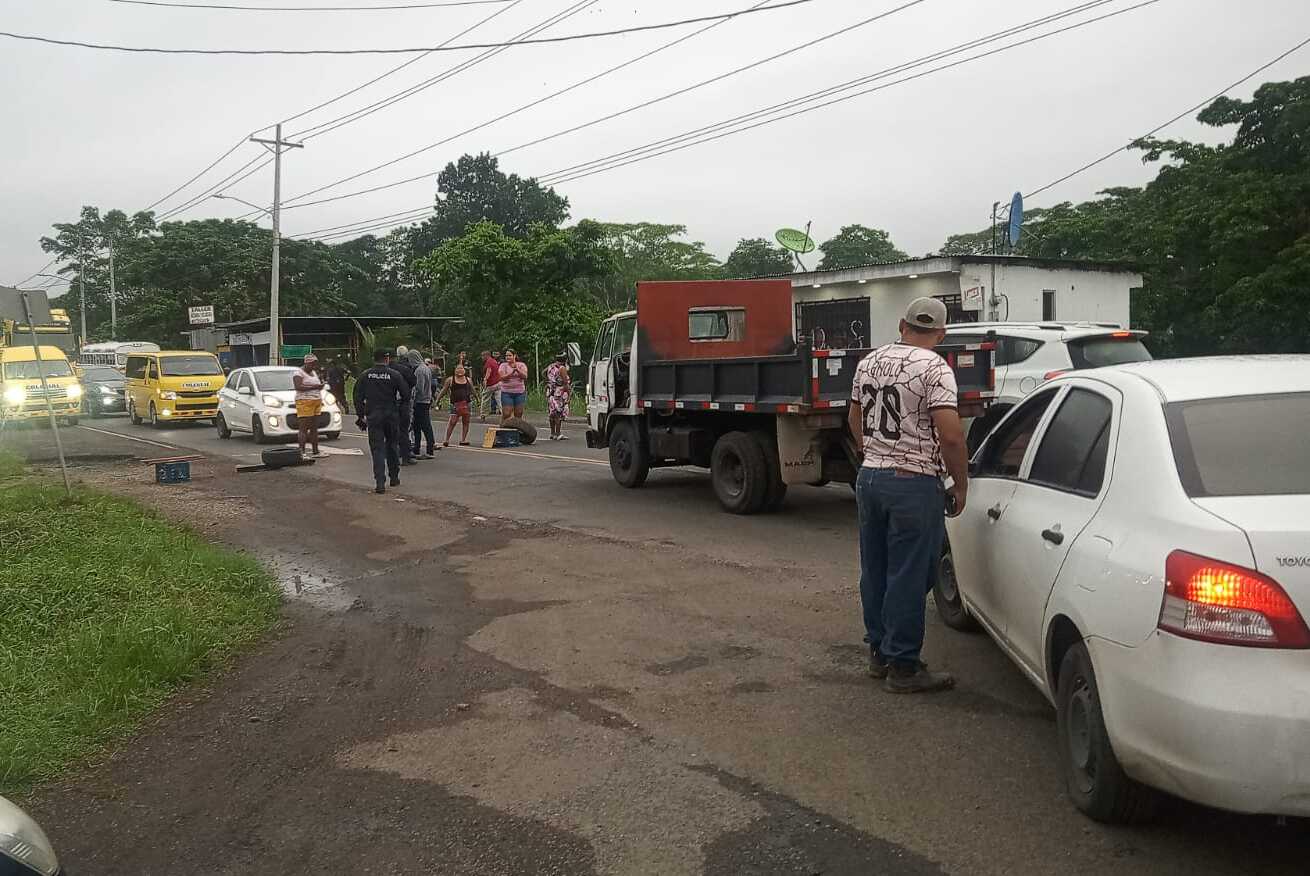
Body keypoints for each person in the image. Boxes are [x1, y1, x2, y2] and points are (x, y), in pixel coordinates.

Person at [847, 297, 968, 695]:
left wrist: (873, 452)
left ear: (902, 324)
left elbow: (854, 418)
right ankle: (904, 665)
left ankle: (879, 654)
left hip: (870, 478)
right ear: (941, 332)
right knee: (910, 574)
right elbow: (950, 434)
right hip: (913, 483)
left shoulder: (869, 362)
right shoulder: (935, 368)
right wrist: (959, 483)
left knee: (876, 569)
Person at [353, 349, 412, 494]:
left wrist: (360, 416)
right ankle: (394, 477)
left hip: (374, 415)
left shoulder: (365, 375)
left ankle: (380, 482)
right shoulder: (394, 375)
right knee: (392, 445)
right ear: (386, 359)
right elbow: (406, 395)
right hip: (391, 414)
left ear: (374, 359)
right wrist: (401, 410)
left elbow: (357, 397)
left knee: (377, 448)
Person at [292, 353, 325, 459]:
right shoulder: (298, 373)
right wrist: (315, 386)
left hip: (316, 400)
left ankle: (316, 451)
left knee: (314, 428)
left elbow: (315, 385)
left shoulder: (314, 372)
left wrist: (320, 387)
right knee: (304, 428)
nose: (313, 367)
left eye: (315, 364)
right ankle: (302, 452)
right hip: (304, 401)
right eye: (312, 364)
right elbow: (298, 386)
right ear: (306, 363)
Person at [390, 345, 418, 466]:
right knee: (404, 430)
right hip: (403, 403)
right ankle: (406, 456)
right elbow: (413, 382)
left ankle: (391, 455)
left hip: (387, 405)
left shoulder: (378, 371)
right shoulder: (405, 368)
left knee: (389, 431)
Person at [435, 364, 474, 447]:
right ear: (455, 370)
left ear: (464, 370)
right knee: (452, 421)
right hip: (455, 404)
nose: (460, 370)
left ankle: (463, 439)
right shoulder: (450, 380)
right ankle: (446, 439)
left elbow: (472, 390)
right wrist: (437, 400)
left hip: (466, 403)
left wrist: (477, 399)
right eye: (458, 368)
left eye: (461, 368)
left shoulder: (468, 380)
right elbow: (443, 390)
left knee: (466, 421)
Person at [409, 350, 436, 459]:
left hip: (420, 401)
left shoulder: (419, 370)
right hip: (426, 399)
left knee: (422, 426)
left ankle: (426, 449)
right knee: (421, 426)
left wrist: (413, 397)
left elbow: (419, 387)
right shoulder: (426, 368)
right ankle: (418, 449)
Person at [544, 352, 571, 440]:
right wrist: (569, 393)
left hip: (551, 391)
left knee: (552, 412)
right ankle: (558, 433)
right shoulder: (562, 368)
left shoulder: (551, 366)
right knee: (558, 413)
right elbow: (565, 383)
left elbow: (543, 373)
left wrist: (550, 381)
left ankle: (552, 433)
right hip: (559, 392)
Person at [498, 349, 528, 423]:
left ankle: (517, 430)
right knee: (506, 413)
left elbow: (525, 376)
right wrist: (511, 373)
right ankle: (503, 428)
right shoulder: (503, 365)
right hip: (506, 392)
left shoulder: (521, 365)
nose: (507, 357)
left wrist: (517, 370)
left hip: (519, 392)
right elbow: (501, 377)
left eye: (510, 355)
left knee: (518, 413)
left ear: (514, 356)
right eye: (506, 356)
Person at [481, 349, 501, 421]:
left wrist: (485, 379)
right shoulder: (494, 361)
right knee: (499, 399)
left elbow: (489, 371)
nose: (482, 358)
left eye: (482, 356)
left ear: (486, 356)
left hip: (491, 384)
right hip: (498, 383)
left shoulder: (488, 362)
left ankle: (483, 414)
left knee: (485, 399)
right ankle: (504, 414)